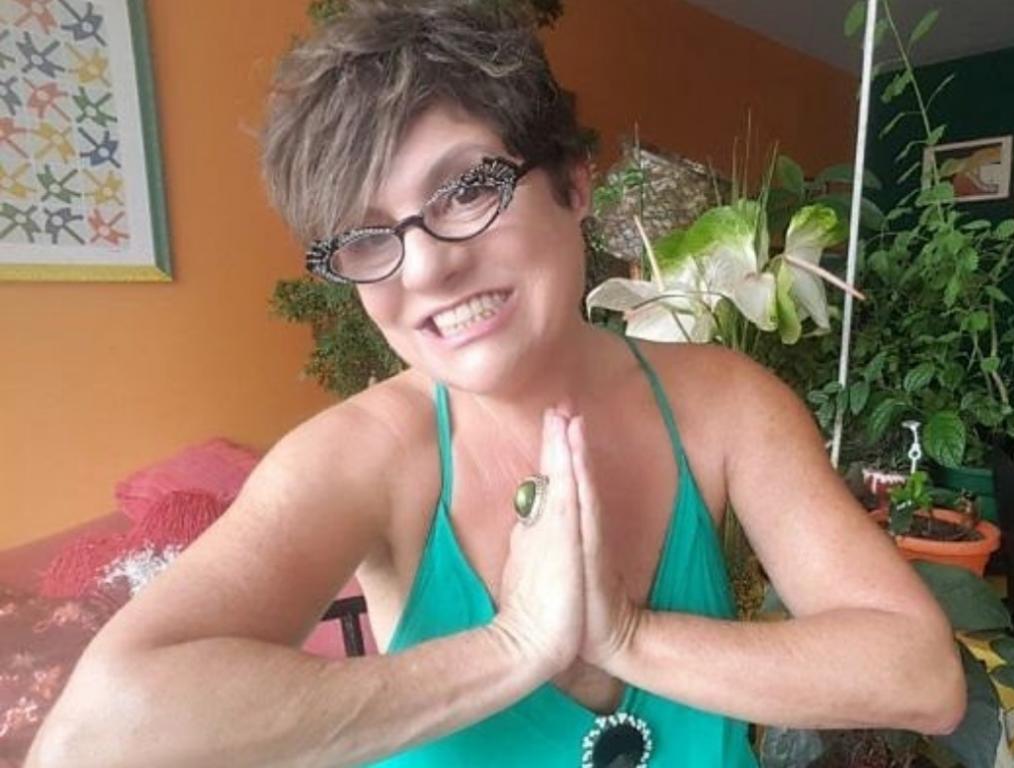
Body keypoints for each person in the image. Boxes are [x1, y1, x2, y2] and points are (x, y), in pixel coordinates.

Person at [27, 1, 965, 766]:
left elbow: (921, 675)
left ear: (574, 182)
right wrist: (513, 645)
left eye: (467, 188)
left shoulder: (726, 404)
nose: (426, 268)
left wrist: (626, 636)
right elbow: (92, 741)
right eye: (366, 237)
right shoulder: (363, 457)